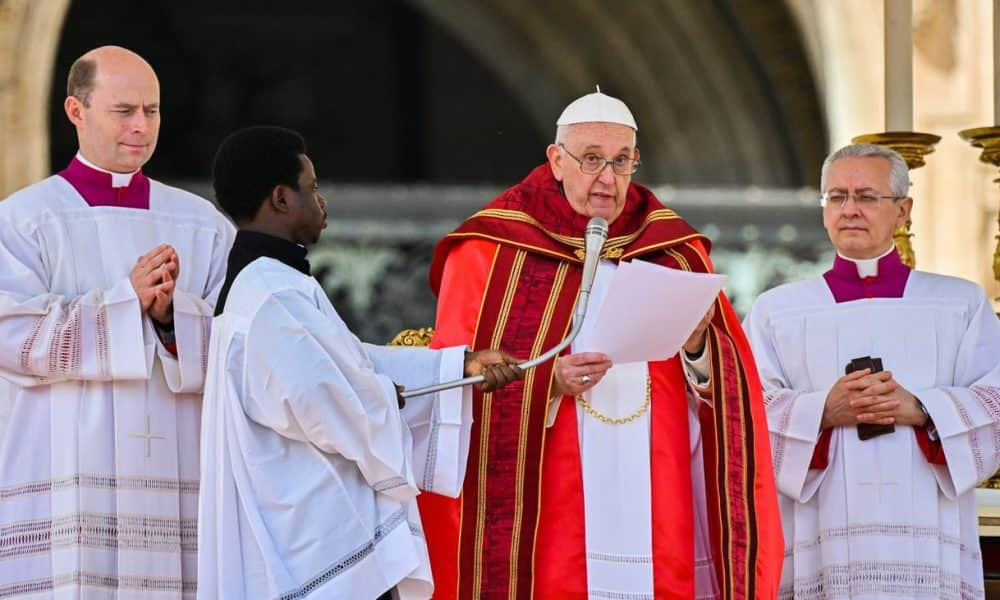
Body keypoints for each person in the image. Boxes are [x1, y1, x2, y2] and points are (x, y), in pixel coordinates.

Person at [419, 90, 783, 599]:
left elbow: (729, 392)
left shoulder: (674, 250)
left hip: (657, 482)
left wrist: (701, 346)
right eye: (591, 160)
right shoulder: (492, 249)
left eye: (621, 161)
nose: (607, 178)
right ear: (556, 161)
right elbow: (454, 379)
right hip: (553, 492)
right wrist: (548, 381)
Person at [198, 126, 524, 600]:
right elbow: (327, 400)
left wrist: (460, 367)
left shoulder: (268, 284)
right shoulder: (272, 295)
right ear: (280, 198)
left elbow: (348, 364)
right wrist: (385, 401)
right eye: (311, 188)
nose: (321, 201)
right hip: (313, 547)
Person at [0, 46, 234, 596]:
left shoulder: (200, 224)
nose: (140, 126)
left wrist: (176, 318)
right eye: (123, 110)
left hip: (178, 480)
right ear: (76, 111)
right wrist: (126, 305)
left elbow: (238, 339)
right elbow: (10, 334)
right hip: (66, 485)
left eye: (151, 111)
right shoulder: (23, 220)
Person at [743, 143, 1000, 598]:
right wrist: (822, 411)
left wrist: (922, 408)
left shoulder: (958, 305)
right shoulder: (777, 311)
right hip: (821, 525)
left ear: (903, 210)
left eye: (866, 196)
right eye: (836, 197)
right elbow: (743, 409)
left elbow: (996, 398)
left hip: (925, 521)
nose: (850, 210)